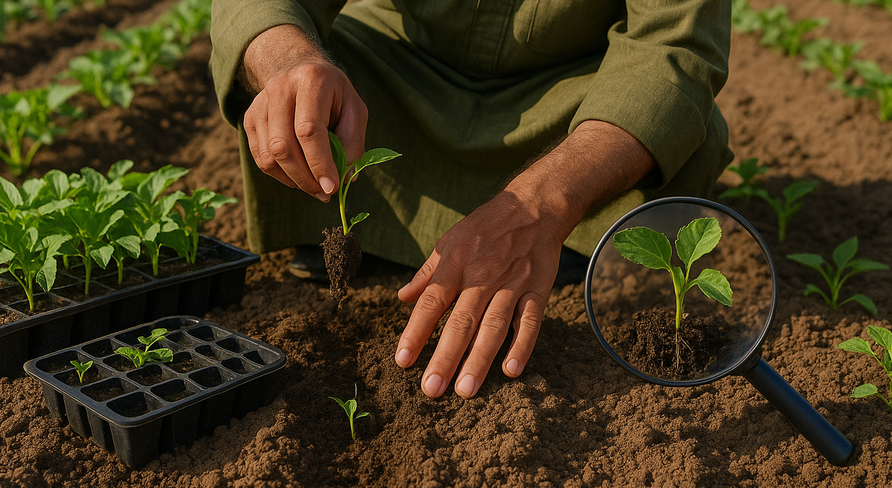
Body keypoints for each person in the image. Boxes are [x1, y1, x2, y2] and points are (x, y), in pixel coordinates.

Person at [209, 0, 733, 399]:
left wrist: (539, 205)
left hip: (574, 102)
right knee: (302, 90)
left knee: (683, 130)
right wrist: (288, 62)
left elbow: (673, 46)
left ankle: (549, 239)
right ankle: (542, 249)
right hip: (400, 78)